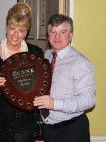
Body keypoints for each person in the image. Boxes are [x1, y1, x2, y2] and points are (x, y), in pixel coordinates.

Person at [0, 2, 43, 142]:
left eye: (21, 30)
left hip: (25, 122)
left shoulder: (35, 53)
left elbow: (40, 83)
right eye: (12, 28)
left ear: (27, 31)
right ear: (6, 27)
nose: (15, 35)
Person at [33, 14, 96, 142]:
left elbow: (89, 100)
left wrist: (54, 104)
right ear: (48, 36)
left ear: (70, 35)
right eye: (53, 32)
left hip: (72, 130)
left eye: (63, 32)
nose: (57, 37)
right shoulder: (47, 55)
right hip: (49, 129)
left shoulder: (81, 63)